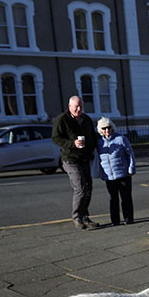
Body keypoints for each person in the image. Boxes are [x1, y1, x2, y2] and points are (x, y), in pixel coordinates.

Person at [52, 96, 99, 229]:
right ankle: (77, 217)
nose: (78, 109)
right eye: (76, 106)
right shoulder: (62, 119)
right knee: (80, 188)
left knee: (88, 188)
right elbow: (55, 139)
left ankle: (85, 217)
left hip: (85, 158)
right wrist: (72, 143)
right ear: (69, 106)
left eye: (81, 107)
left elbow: (92, 137)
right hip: (70, 158)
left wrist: (91, 149)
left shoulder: (86, 119)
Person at [95, 116, 136, 226]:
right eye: (104, 128)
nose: (107, 130)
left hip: (123, 174)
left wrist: (131, 169)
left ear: (112, 127)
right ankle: (115, 220)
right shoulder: (99, 143)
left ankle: (128, 218)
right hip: (109, 176)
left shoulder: (121, 139)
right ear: (100, 130)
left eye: (108, 127)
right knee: (113, 199)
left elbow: (130, 154)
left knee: (126, 197)